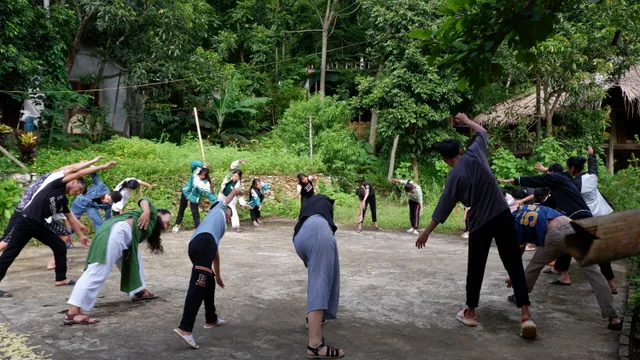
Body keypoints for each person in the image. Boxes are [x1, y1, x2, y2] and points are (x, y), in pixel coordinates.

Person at [416, 113, 536, 339]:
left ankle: (470, 313)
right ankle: (526, 315)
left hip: (480, 223)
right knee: (513, 263)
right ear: (460, 151)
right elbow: (482, 132)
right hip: (502, 216)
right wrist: (466, 120)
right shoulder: (475, 153)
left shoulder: (454, 178)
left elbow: (444, 207)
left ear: (444, 159)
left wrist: (426, 232)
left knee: (476, 267)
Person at [0, 158, 114, 298]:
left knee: (60, 246)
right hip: (26, 221)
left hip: (40, 224)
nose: (77, 193)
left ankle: (61, 278)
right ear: (71, 182)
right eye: (78, 190)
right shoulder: (55, 185)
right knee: (10, 252)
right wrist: (101, 166)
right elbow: (77, 172)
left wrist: (82, 235)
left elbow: (70, 217)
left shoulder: (62, 199)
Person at [505, 203, 623, 330]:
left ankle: (520, 295)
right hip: (576, 229)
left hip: (555, 234)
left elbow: (518, 250)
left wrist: (514, 274)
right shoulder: (530, 206)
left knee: (534, 266)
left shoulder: (514, 220)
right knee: (595, 274)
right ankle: (614, 318)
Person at [64, 198, 171, 325]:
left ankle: (139, 291)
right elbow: (143, 200)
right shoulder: (152, 215)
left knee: (135, 257)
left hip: (119, 233)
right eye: (167, 221)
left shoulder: (150, 226)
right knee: (98, 270)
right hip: (116, 232)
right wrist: (147, 212)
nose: (167, 225)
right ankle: (73, 312)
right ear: (159, 215)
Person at [173, 188, 240, 349]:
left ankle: (211, 318)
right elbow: (228, 199)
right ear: (226, 210)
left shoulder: (215, 225)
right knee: (198, 286)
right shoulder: (218, 210)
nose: (231, 218)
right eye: (230, 214)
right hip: (204, 243)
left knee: (207, 281)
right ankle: (185, 328)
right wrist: (236, 191)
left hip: (199, 244)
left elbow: (215, 252)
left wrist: (217, 275)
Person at [293, 194, 344, 358]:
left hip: (299, 237)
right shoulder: (326, 206)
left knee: (315, 280)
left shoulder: (310, 205)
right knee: (320, 283)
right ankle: (315, 345)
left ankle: (315, 319)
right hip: (318, 232)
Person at [563, 147, 617, 293]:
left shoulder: (574, 185)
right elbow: (593, 167)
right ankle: (611, 283)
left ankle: (564, 274)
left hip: (587, 219)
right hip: (602, 216)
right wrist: (591, 155)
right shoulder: (592, 177)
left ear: (572, 169)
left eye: (568, 168)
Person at [173, 160, 217, 233]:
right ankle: (177, 224)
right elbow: (193, 163)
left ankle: (198, 228)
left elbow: (209, 194)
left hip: (195, 197)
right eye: (201, 174)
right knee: (181, 209)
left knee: (195, 212)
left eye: (203, 175)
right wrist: (202, 164)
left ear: (206, 176)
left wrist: (216, 201)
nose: (201, 176)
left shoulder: (206, 184)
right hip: (186, 192)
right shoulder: (196, 172)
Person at [218, 159, 247, 232]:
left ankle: (236, 226)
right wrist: (239, 161)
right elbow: (232, 166)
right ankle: (218, 225)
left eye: (236, 177)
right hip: (222, 195)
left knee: (233, 211)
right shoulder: (229, 176)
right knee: (219, 209)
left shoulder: (238, 185)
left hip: (231, 199)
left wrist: (243, 204)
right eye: (234, 175)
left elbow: (240, 195)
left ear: (239, 178)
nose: (234, 177)